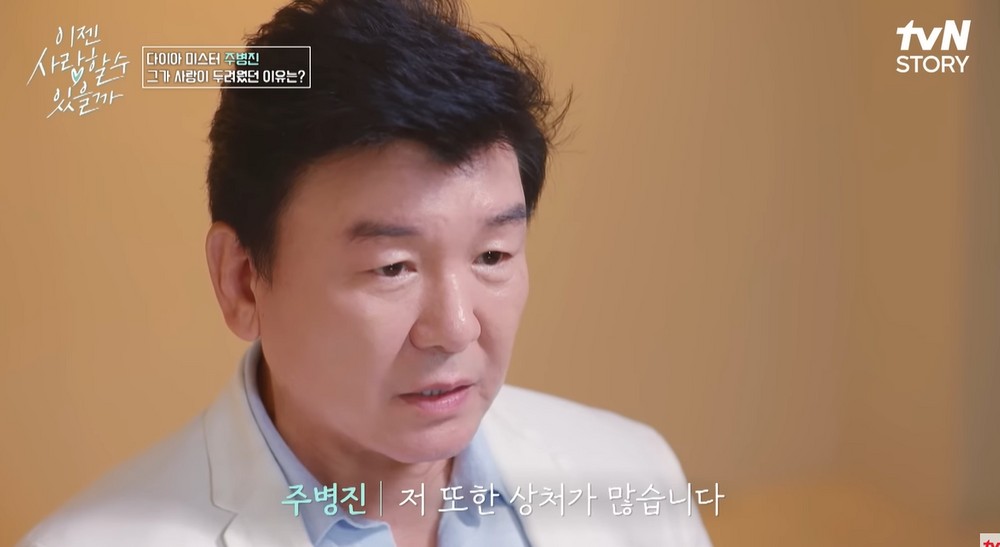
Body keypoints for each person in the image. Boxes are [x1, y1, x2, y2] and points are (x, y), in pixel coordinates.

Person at [18, 0, 712, 545]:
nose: (455, 328)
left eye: (492, 256)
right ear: (242, 281)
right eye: (393, 267)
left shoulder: (634, 470)